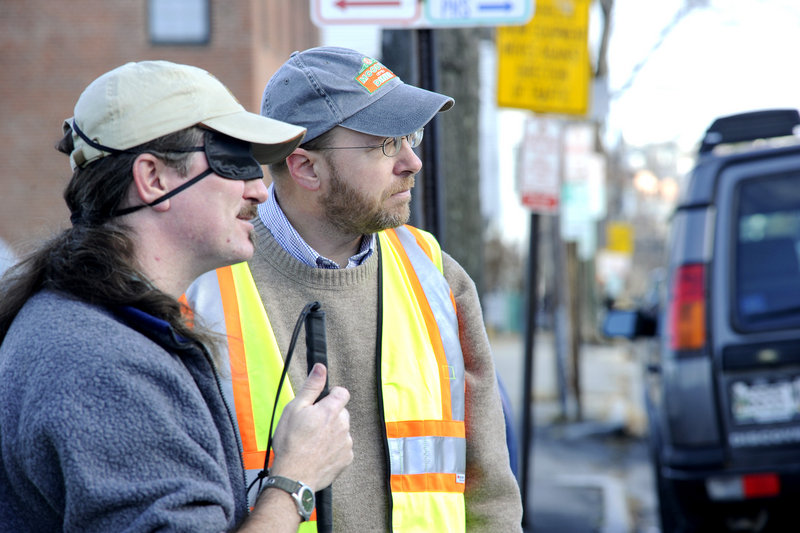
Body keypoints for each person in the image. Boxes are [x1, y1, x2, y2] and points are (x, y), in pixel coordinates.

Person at [0, 60, 353, 533]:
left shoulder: (95, 326)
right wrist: (295, 481)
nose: (259, 190)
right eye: (235, 158)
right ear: (154, 179)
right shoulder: (105, 366)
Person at [185, 46, 523, 531]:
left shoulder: (438, 277)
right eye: (385, 144)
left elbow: (490, 495)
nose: (412, 161)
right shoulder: (202, 294)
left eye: (411, 136)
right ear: (306, 168)